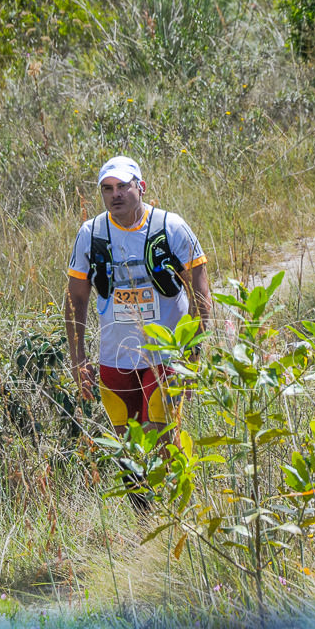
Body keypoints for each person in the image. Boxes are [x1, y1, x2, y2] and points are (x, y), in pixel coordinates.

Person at [64, 155, 211, 444]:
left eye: (122, 186)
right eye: (107, 188)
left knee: (160, 443)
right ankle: (140, 493)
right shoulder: (90, 234)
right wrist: (77, 359)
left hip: (167, 354)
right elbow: (75, 301)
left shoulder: (171, 227)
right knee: (128, 455)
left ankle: (176, 491)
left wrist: (192, 356)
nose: (115, 194)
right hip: (114, 359)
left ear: (141, 186)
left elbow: (201, 295)